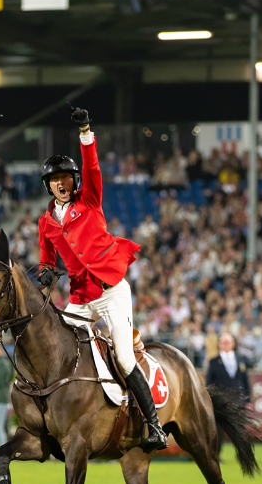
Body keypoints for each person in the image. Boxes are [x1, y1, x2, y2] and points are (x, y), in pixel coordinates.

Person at [37, 105, 168, 452]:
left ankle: (154, 425)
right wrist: (45, 271)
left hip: (111, 293)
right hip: (79, 298)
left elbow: (92, 166)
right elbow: (45, 259)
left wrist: (85, 132)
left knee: (124, 358)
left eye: (65, 177)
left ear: (73, 181)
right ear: (49, 186)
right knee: (56, 349)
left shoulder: (90, 199)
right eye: (55, 180)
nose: (60, 183)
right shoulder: (45, 222)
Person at [205, 333, 251, 454]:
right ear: (219, 344)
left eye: (228, 342)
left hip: (238, 400)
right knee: (218, 430)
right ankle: (216, 454)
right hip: (221, 401)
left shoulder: (240, 360)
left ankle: (243, 454)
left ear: (233, 344)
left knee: (240, 428)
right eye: (223, 342)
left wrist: (248, 400)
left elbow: (245, 380)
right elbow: (209, 382)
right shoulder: (214, 361)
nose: (225, 345)